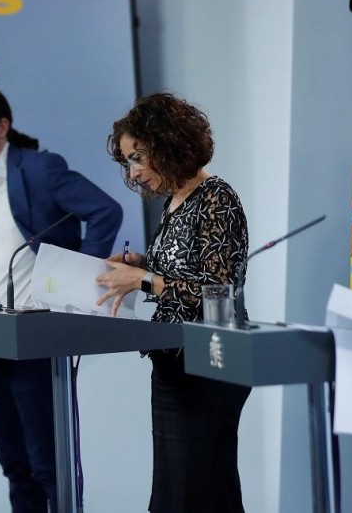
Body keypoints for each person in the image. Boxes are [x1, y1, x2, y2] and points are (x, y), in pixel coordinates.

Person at [0, 84, 123, 513]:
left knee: (49, 467)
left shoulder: (39, 169)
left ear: (2, 126)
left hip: (33, 341)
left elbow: (106, 211)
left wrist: (75, 283)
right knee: (14, 467)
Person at [95, 92, 251, 513]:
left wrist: (144, 280)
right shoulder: (175, 201)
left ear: (168, 142)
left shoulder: (216, 196)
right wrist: (141, 264)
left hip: (210, 363)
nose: (135, 171)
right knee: (173, 496)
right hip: (174, 362)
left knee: (198, 495)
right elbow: (184, 271)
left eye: (139, 157)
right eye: (128, 161)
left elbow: (217, 290)